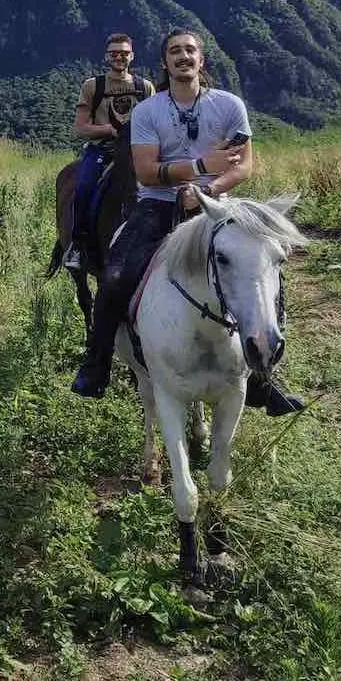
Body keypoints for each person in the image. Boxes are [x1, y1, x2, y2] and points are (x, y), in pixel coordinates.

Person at [71, 28, 304, 417]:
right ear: (165, 62)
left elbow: (244, 164)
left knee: (266, 272)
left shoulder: (230, 107)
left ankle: (265, 378)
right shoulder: (148, 111)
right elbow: (145, 173)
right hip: (157, 205)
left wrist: (210, 188)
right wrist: (197, 168)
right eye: (175, 51)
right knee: (114, 276)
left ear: (202, 58)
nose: (183, 56)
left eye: (190, 50)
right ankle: (97, 364)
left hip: (218, 204)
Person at [63, 33, 154, 271]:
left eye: (124, 53)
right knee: (83, 188)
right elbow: (81, 127)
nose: (119, 57)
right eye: (114, 53)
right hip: (102, 150)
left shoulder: (144, 87)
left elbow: (155, 123)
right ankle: (78, 244)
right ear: (106, 57)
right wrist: (111, 130)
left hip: (138, 152)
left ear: (132, 56)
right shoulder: (94, 86)